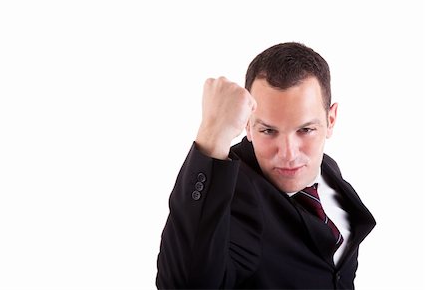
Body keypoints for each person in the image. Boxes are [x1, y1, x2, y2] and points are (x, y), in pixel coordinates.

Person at [156, 42, 376, 289]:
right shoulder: (236, 197)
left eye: (306, 130)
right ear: (248, 125)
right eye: (268, 131)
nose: (289, 154)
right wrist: (212, 135)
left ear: (331, 120)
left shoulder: (329, 171)